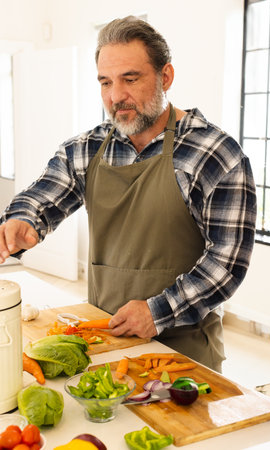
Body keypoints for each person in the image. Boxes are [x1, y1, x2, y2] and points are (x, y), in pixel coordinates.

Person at [0, 16, 256, 372]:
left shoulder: (214, 154)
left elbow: (227, 263)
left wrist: (156, 312)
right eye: (105, 82)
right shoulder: (86, 149)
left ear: (165, 76)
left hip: (184, 356)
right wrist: (22, 219)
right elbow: (43, 194)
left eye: (130, 79)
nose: (115, 96)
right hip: (102, 341)